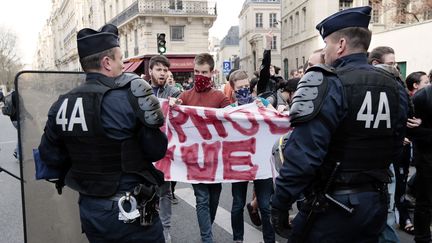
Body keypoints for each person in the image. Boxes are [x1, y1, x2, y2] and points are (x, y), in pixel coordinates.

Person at [270, 6, 409, 242]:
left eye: (327, 45)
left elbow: (304, 155)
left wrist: (280, 203)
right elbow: (397, 144)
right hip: (375, 203)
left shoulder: (328, 83)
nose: (325, 52)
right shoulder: (394, 84)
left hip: (332, 206)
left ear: (341, 44)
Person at [38, 24, 168, 242]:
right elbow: (157, 150)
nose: (122, 65)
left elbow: (50, 157)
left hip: (91, 211)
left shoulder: (60, 104)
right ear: (107, 63)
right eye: (120, 59)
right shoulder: (127, 99)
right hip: (130, 212)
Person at [169, 53, 230, 243]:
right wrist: (171, 105)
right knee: (202, 199)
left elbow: (237, 115)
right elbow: (171, 118)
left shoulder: (220, 97)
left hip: (216, 161)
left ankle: (207, 229)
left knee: (213, 199)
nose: (199, 75)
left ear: (212, 73)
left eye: (204, 72)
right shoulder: (185, 96)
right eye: (196, 71)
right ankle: (207, 238)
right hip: (195, 160)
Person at [227, 70, 275, 243]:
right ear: (233, 89)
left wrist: (268, 112)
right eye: (240, 87)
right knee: (237, 204)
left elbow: (278, 119)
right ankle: (238, 239)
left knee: (265, 206)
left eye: (247, 86)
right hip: (239, 163)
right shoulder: (229, 111)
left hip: (261, 162)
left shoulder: (260, 102)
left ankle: (269, 240)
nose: (245, 90)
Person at [147, 55, 180, 243]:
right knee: (145, 190)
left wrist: (176, 108)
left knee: (165, 192)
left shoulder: (174, 93)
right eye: (158, 69)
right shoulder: (141, 91)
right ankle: (149, 226)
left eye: (165, 70)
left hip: (165, 151)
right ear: (150, 71)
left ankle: (166, 229)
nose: (162, 73)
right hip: (144, 151)